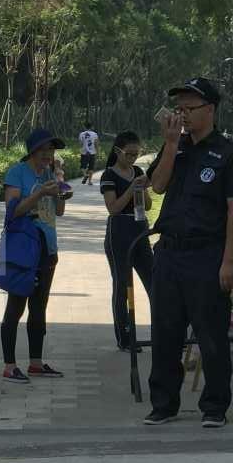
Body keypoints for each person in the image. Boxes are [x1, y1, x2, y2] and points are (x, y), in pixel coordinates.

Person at [145, 77, 233, 427]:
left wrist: (228, 262)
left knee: (211, 333)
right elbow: (157, 185)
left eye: (189, 108)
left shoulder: (226, 152)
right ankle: (164, 403)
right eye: (178, 108)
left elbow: (232, 211)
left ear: (209, 110)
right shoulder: (175, 146)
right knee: (165, 332)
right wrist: (169, 145)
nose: (181, 115)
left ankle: (214, 406)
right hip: (169, 252)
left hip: (206, 254)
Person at [1, 128, 69, 383]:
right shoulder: (17, 173)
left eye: (51, 150)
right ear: (32, 151)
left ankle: (36, 363)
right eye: (44, 150)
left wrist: (60, 187)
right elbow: (13, 211)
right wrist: (40, 192)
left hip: (47, 249)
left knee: (39, 307)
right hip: (23, 250)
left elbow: (59, 211)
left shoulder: (50, 173)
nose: (48, 154)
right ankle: (9, 365)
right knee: (16, 306)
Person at [100, 131, 153, 350]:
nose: (132, 158)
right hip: (119, 231)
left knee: (154, 280)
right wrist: (132, 188)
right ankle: (125, 335)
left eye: (135, 154)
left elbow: (147, 206)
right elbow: (113, 208)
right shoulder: (109, 176)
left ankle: (164, 331)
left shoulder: (138, 172)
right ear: (117, 151)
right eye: (128, 154)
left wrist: (143, 189)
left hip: (140, 228)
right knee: (123, 285)